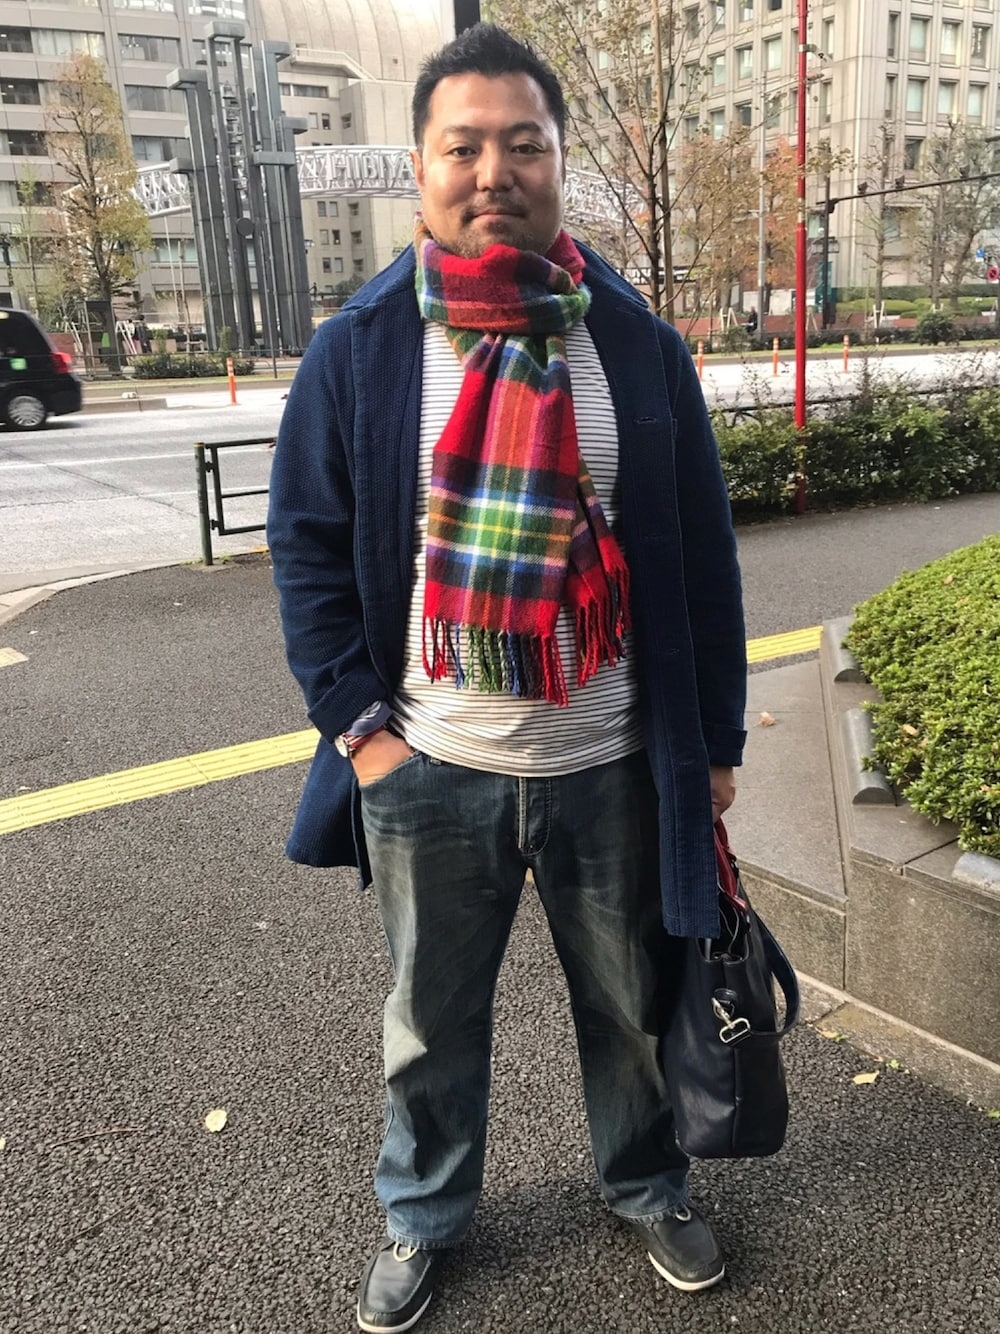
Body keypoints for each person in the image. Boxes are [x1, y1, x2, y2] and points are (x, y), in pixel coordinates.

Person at [267, 23, 747, 1333]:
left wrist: (714, 745)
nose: (495, 172)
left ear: (558, 160)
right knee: (429, 1023)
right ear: (420, 167)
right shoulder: (362, 348)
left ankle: (646, 1183)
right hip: (430, 765)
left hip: (612, 759)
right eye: (463, 146)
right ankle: (423, 1213)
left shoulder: (633, 345)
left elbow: (702, 555)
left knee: (635, 1006)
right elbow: (306, 549)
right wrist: (363, 734)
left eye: (522, 144)